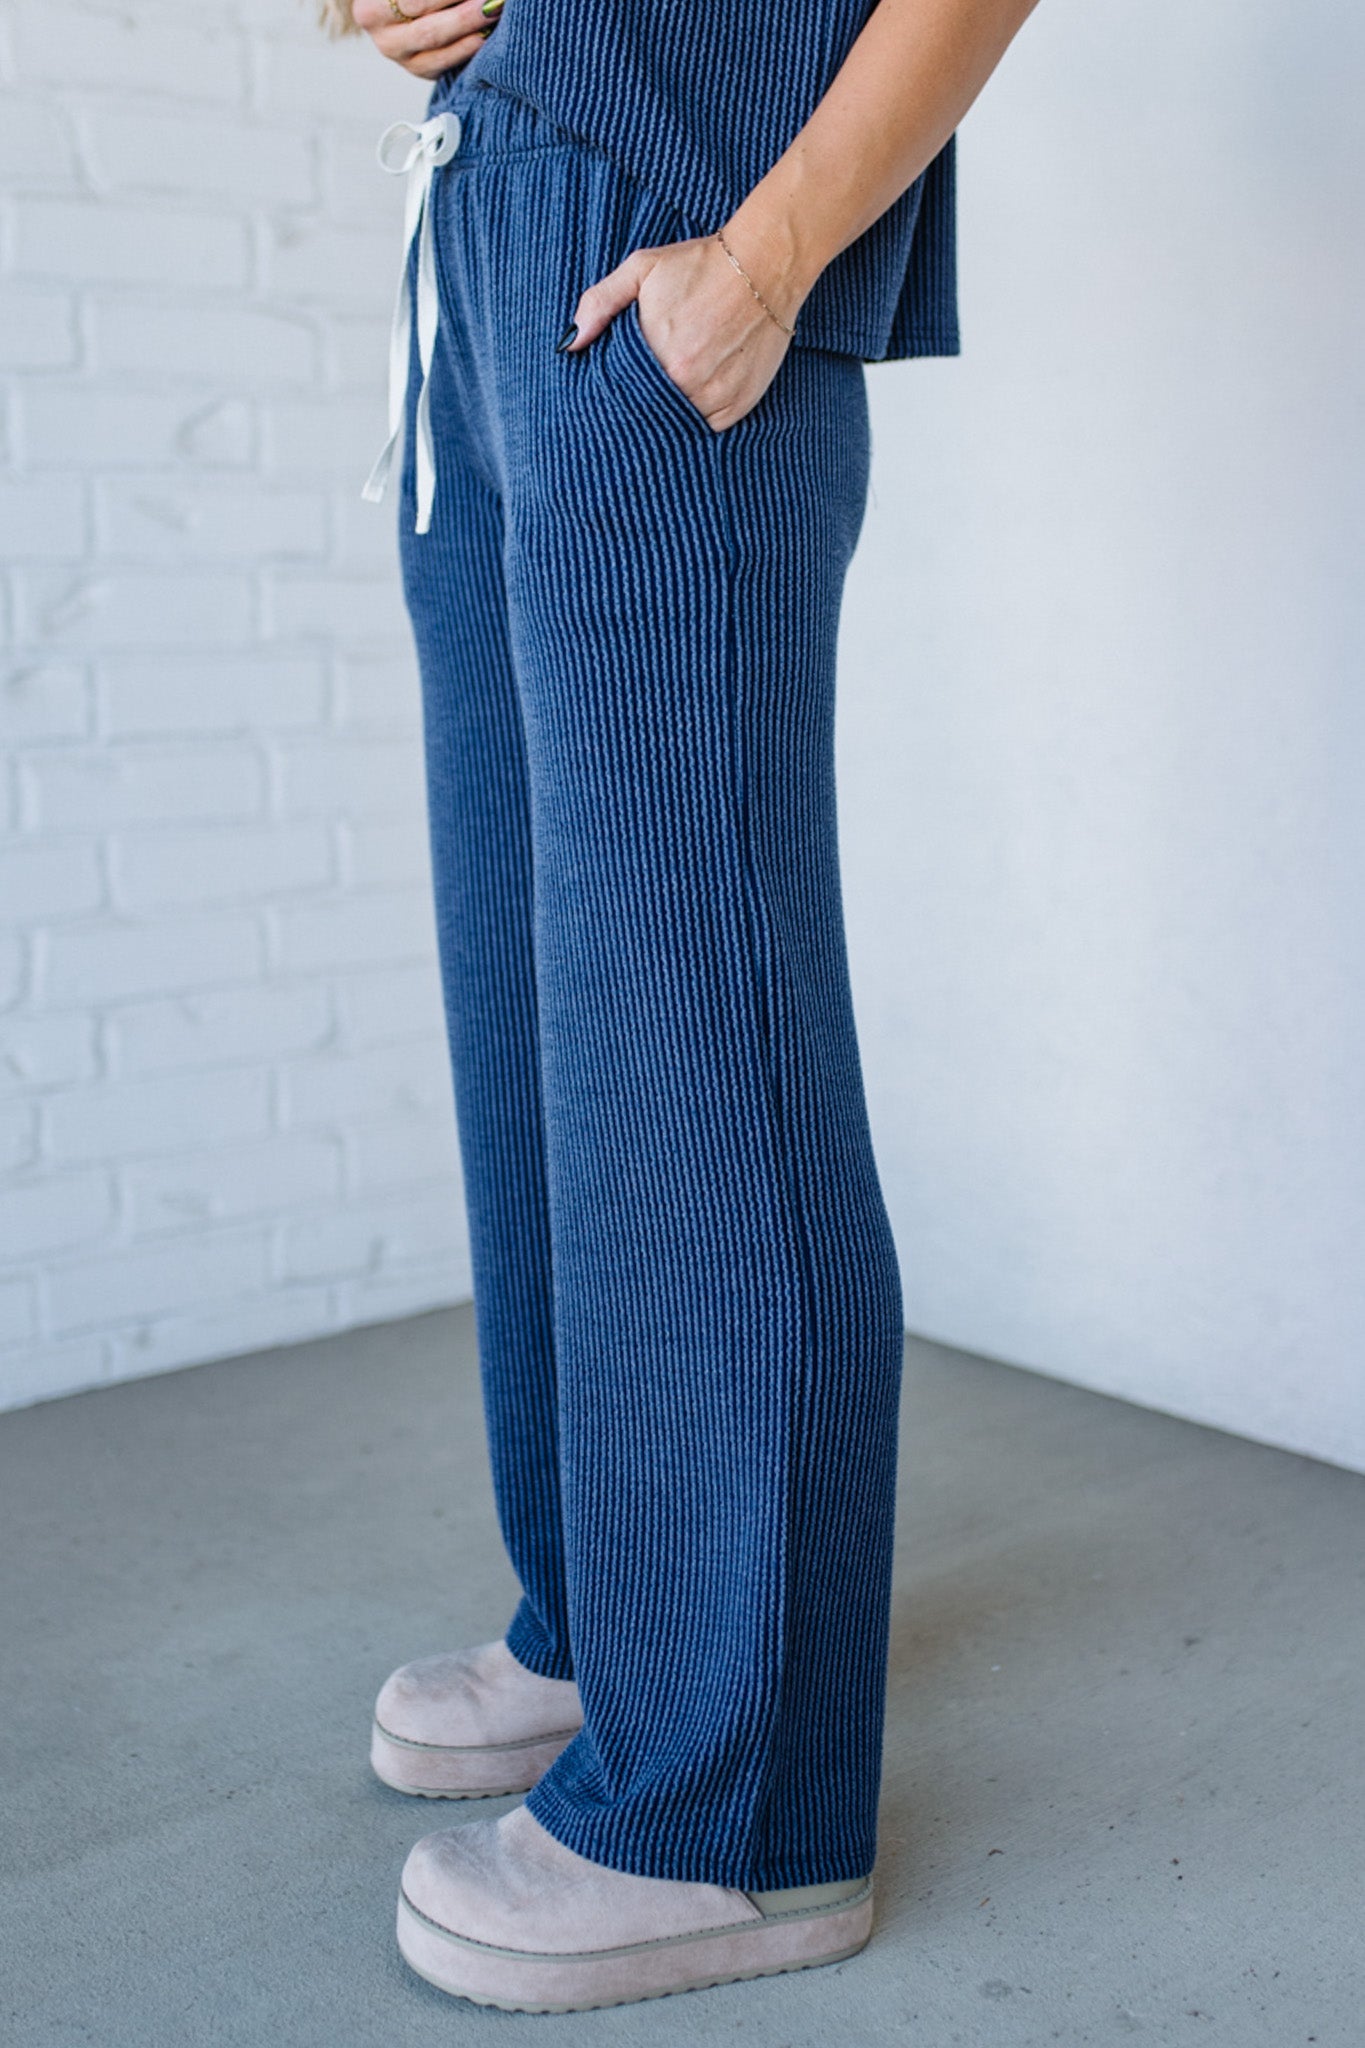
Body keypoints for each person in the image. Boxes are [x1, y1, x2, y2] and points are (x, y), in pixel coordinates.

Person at [324, 0, 1039, 2013]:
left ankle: (741, 1818)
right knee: (542, 1015)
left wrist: (770, 254)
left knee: (695, 1019)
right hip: (491, 231)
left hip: (679, 229)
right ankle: (604, 1624)